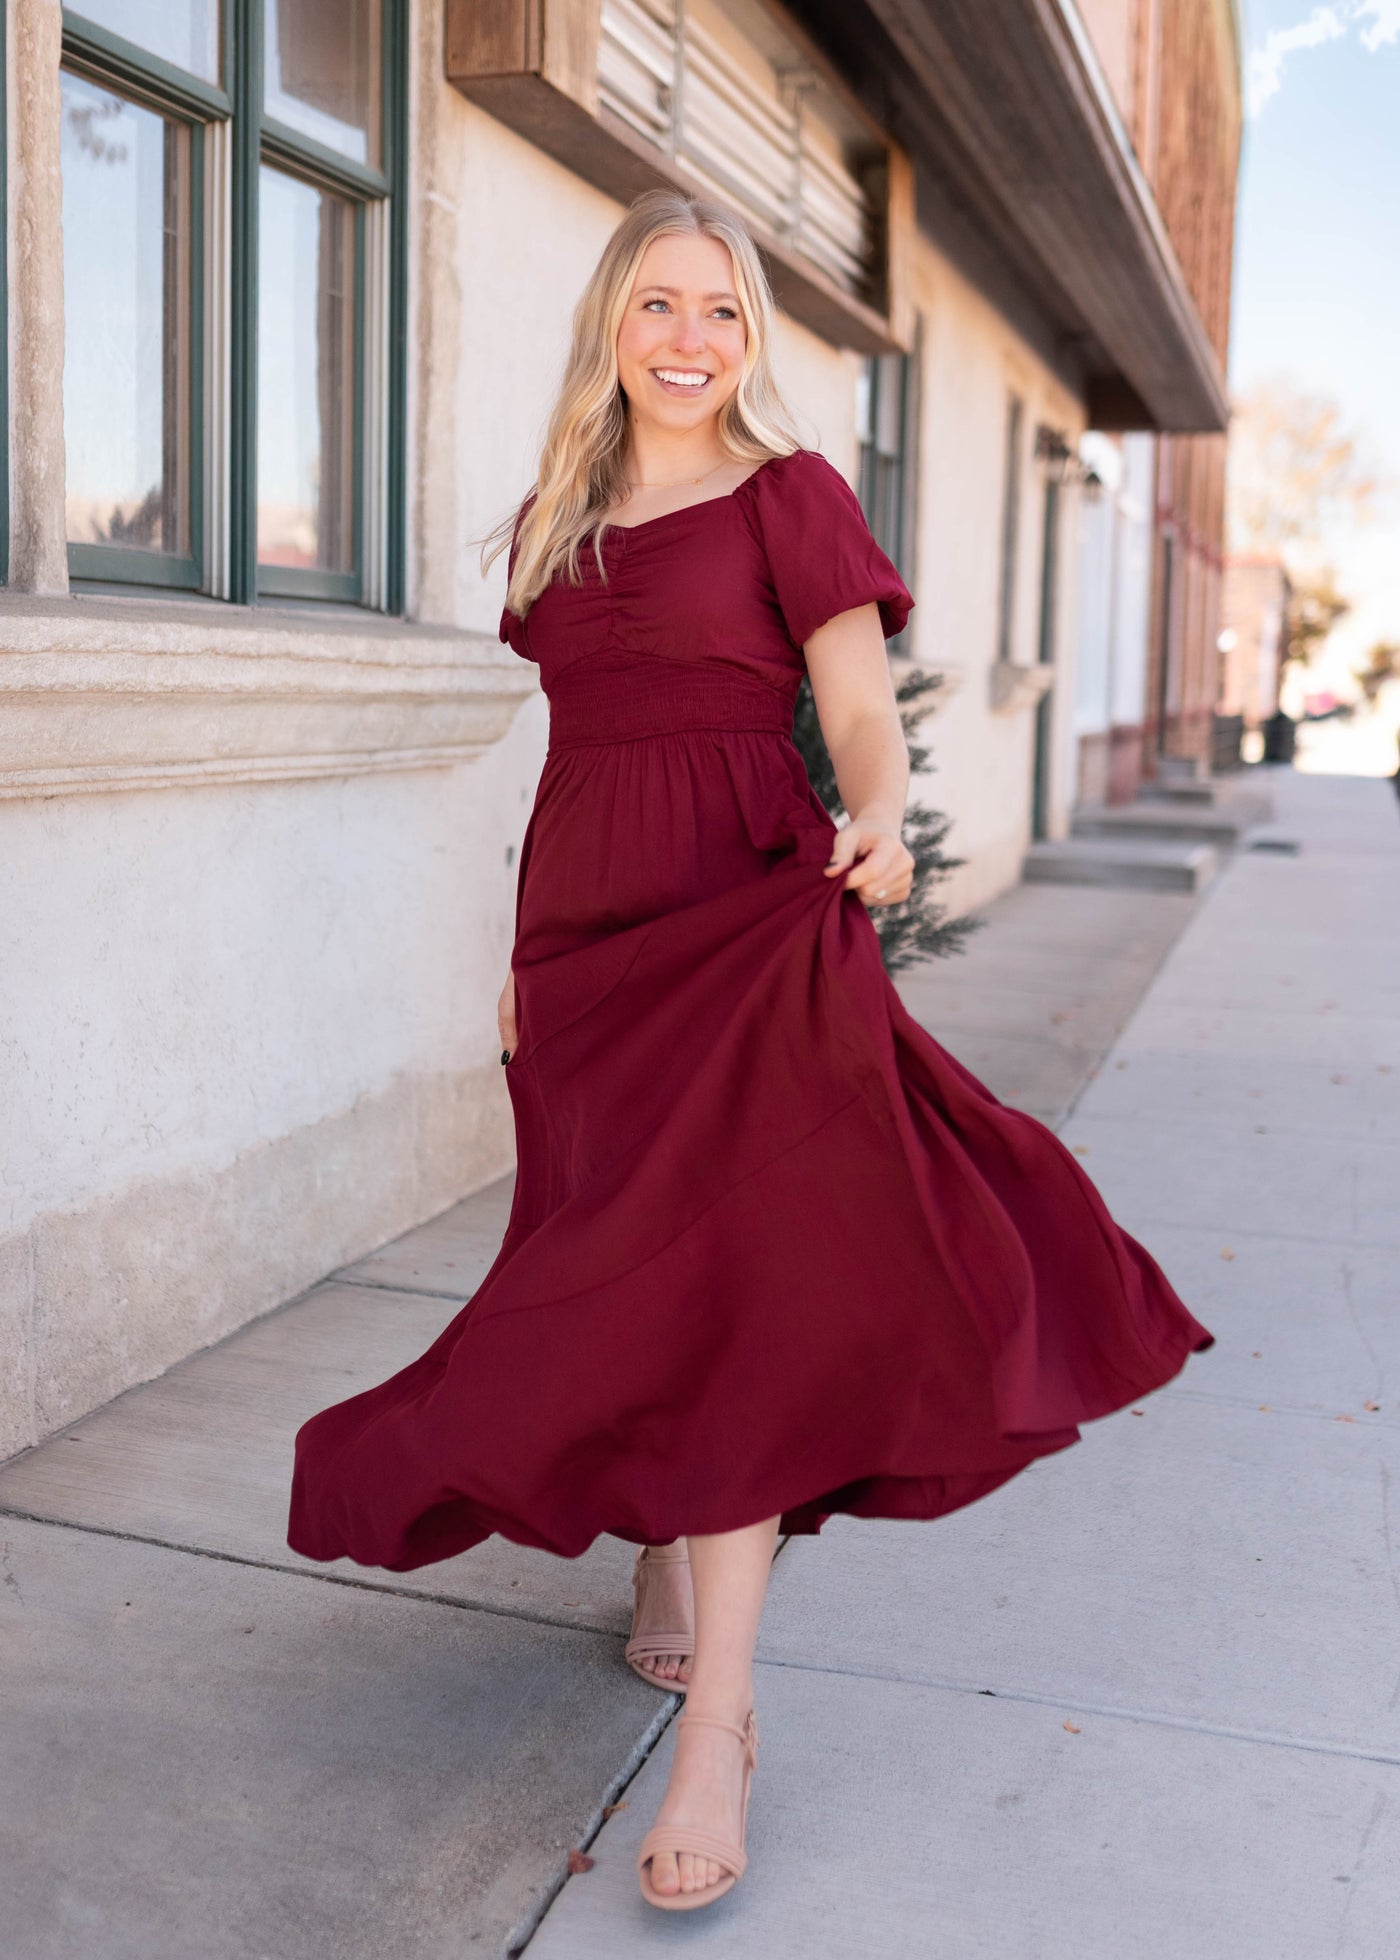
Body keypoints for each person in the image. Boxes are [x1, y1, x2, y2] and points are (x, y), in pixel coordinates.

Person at [288, 189, 1212, 1913]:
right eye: (657, 306)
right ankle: (660, 1553)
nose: (689, 339)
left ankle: (720, 1722)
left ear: (750, 337)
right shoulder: (556, 515)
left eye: (719, 309)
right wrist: (518, 954)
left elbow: (855, 706)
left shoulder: (787, 497)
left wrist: (883, 815)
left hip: (750, 925)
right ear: (611, 329)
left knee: (743, 1291)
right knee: (615, 1267)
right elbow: (565, 759)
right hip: (587, 952)